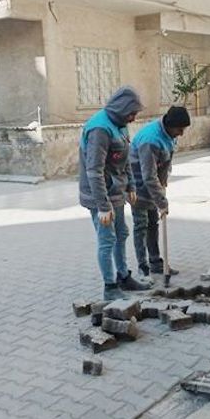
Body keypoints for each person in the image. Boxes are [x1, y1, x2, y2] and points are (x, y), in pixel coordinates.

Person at [79, 86, 150, 301]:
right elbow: (94, 170)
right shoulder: (100, 129)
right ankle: (110, 287)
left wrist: (131, 186)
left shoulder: (120, 125)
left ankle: (123, 277)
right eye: (132, 113)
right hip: (99, 195)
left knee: (122, 233)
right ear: (122, 109)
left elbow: (125, 158)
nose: (133, 118)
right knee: (107, 239)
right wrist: (102, 206)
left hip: (116, 191)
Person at [130, 106, 191, 282]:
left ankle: (156, 263)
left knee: (153, 224)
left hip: (152, 183)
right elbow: (148, 176)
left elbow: (166, 162)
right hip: (137, 185)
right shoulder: (150, 140)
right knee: (141, 225)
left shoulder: (170, 135)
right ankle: (143, 268)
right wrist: (162, 201)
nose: (181, 134)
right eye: (179, 129)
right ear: (170, 125)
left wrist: (163, 185)